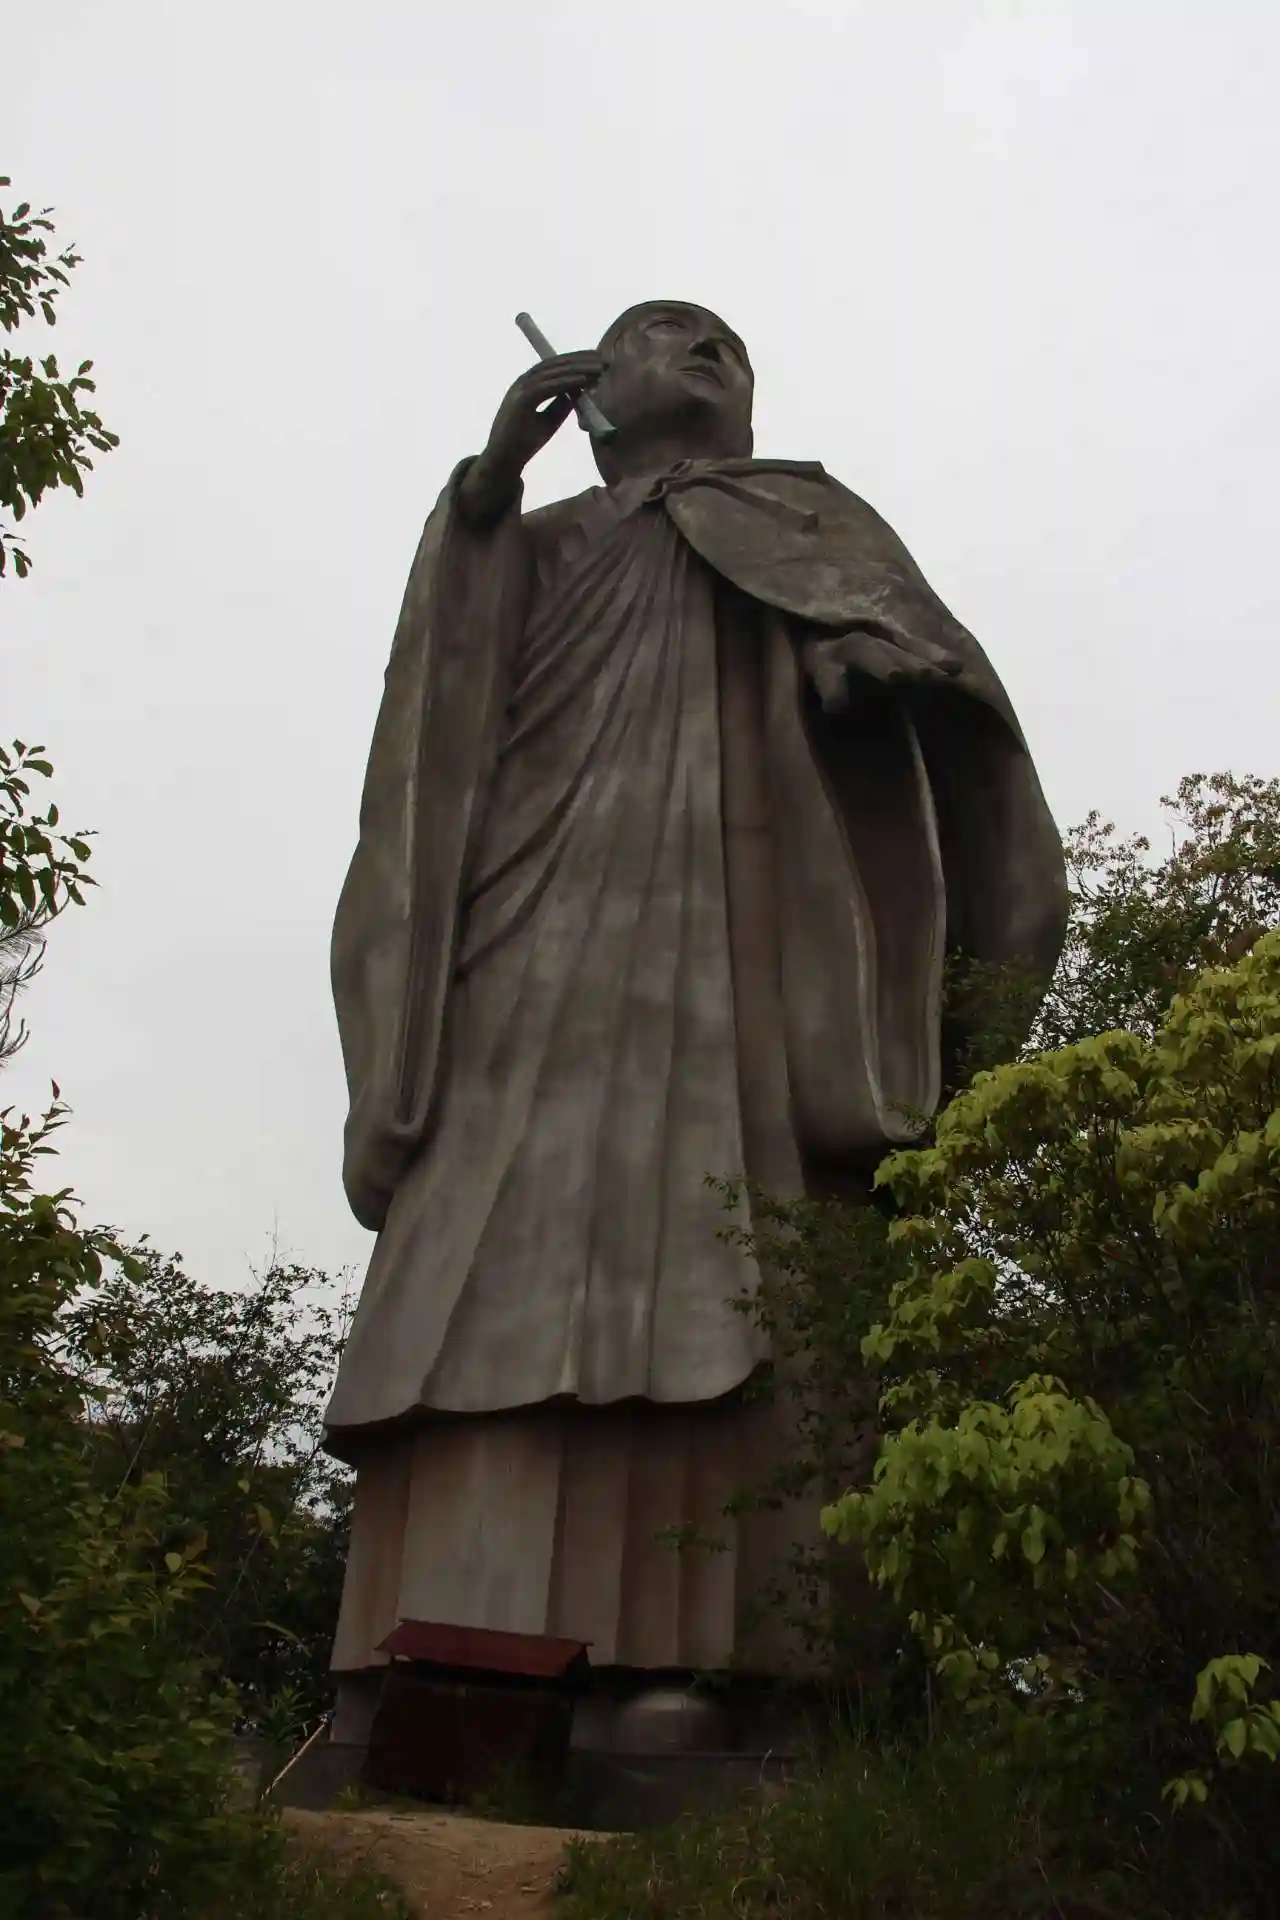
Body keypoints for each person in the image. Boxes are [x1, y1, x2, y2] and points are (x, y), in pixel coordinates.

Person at [323, 302, 1066, 1713]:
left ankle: (724, 1665)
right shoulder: (525, 545)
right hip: (523, 955)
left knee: (729, 1251)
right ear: (595, 385)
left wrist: (860, 680)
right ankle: (428, 1646)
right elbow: (433, 731)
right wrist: (484, 493)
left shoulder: (805, 522)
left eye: (727, 342)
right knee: (483, 1249)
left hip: (736, 954)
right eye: (668, 332)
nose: (709, 348)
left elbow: (914, 684)